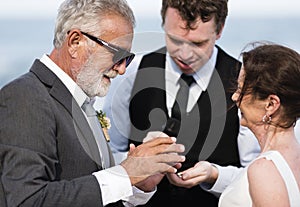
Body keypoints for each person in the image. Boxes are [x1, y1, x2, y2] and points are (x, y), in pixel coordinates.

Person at [0, 0, 186, 206]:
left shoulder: (81, 102)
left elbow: (90, 190)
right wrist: (125, 174)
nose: (122, 69)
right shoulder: (26, 96)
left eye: (128, 59)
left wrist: (138, 184)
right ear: (75, 42)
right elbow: (27, 200)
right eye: (117, 55)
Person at [103, 0, 258, 206]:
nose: (185, 55)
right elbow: (109, 155)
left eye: (198, 43)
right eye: (174, 40)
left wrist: (215, 175)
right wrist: (139, 162)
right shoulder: (130, 74)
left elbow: (257, 175)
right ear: (163, 23)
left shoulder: (243, 84)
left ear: (219, 30)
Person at [218, 43, 300, 206]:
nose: (235, 97)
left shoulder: (264, 170)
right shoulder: (293, 158)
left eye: (241, 90)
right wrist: (214, 174)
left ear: (271, 104)